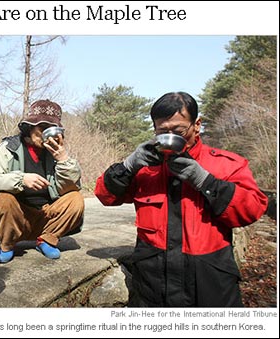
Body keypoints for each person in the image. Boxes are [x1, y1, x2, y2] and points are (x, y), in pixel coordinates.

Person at [94, 92, 268, 307]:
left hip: (211, 282)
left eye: (178, 131)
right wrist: (128, 166)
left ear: (197, 125)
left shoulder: (227, 164)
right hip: (152, 283)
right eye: (162, 131)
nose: (171, 135)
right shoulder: (147, 167)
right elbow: (104, 195)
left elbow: (253, 209)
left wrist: (206, 181)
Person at [0, 100, 84, 264]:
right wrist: (21, 179)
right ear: (30, 127)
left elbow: (70, 189)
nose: (46, 135)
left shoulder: (56, 152)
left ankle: (47, 239)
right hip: (17, 216)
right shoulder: (10, 147)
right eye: (42, 129)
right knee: (4, 198)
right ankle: (7, 244)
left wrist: (63, 160)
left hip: (45, 214)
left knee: (76, 198)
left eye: (51, 130)